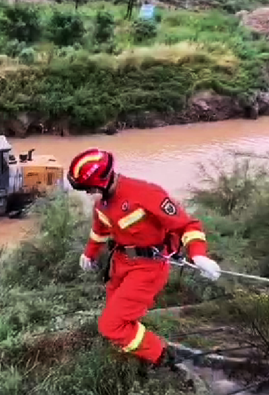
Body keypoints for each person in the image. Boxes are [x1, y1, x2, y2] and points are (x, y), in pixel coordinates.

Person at [67, 148, 222, 371]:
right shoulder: (102, 204)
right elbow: (99, 231)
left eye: (87, 188)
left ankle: (161, 357)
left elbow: (187, 225)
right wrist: (89, 254)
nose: (87, 193)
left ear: (101, 181)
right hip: (120, 264)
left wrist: (198, 255)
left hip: (148, 269)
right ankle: (132, 349)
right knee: (118, 316)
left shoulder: (145, 194)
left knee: (111, 325)